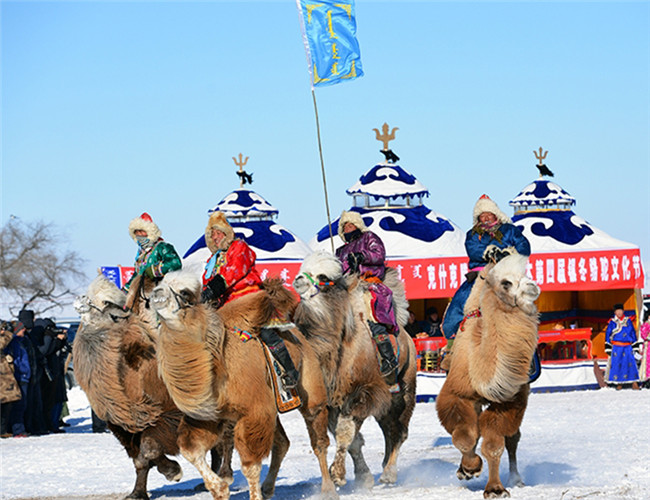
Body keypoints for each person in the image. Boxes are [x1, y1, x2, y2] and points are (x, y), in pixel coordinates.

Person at [201, 211, 299, 390]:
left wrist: (214, 288)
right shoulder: (212, 261)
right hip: (227, 307)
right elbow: (208, 282)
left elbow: (235, 270)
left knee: (266, 332)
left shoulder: (239, 247)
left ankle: (290, 371)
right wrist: (205, 294)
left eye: (218, 232)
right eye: (211, 234)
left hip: (249, 300)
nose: (215, 237)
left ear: (226, 233)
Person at [441, 195, 531, 360]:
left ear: (496, 214)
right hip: (479, 276)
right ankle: (452, 347)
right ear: (478, 218)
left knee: (524, 305)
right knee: (458, 304)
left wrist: (510, 254)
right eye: (482, 215)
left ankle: (525, 350)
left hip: (506, 274)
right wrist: (491, 251)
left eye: (489, 214)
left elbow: (524, 246)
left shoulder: (510, 230)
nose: (486, 218)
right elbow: (474, 249)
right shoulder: (473, 234)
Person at [335, 210, 399, 380]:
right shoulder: (340, 250)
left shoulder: (369, 238)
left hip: (368, 285)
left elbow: (379, 254)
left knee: (370, 318)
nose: (348, 228)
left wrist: (362, 256)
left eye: (351, 224)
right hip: (347, 289)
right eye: (345, 226)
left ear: (357, 225)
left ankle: (388, 358)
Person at [123, 212, 182, 291]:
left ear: (149, 232)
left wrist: (154, 270)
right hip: (143, 293)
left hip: (163, 290)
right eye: (136, 232)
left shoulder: (162, 247)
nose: (139, 235)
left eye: (141, 231)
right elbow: (136, 277)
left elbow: (175, 263)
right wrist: (124, 291)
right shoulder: (141, 256)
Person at [605, 304, 641, 390]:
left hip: (628, 346)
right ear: (615, 312)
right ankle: (619, 383)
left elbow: (632, 333)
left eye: (620, 310)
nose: (619, 312)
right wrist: (608, 347)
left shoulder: (628, 321)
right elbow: (608, 334)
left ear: (623, 311)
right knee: (617, 364)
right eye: (617, 311)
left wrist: (635, 346)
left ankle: (634, 382)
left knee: (631, 364)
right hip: (617, 347)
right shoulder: (612, 322)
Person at [6, 321, 31, 437]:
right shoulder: (13, 342)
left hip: (24, 376)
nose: (24, 330)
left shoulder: (22, 342)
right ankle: (17, 429)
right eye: (21, 329)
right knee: (18, 405)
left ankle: (20, 428)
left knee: (23, 405)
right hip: (18, 376)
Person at [0, 322, 22, 437]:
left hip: (4, 377)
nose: (2, 332)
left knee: (7, 403)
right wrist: (9, 333)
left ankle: (3, 430)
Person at [639, 311, 650, 388]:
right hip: (648, 346)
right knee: (647, 363)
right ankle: (647, 380)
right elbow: (643, 335)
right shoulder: (646, 325)